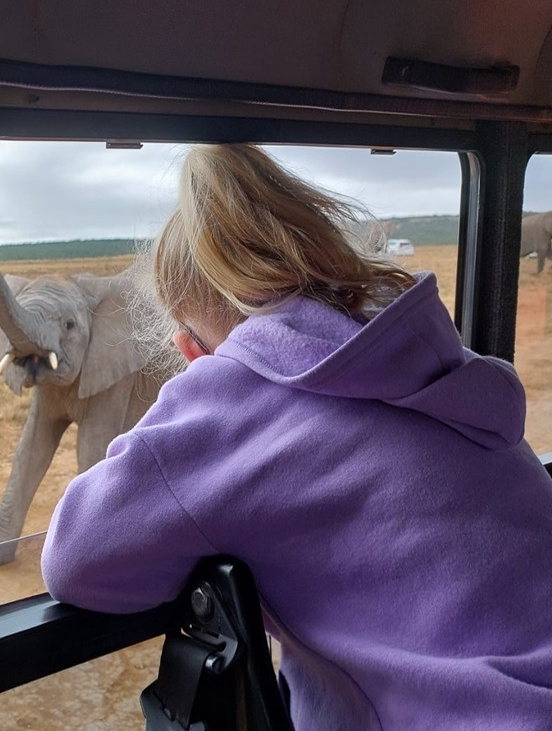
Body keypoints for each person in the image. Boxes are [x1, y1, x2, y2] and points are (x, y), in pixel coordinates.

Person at [42, 143, 552, 729]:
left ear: (189, 347)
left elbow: (76, 557)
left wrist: (206, 381)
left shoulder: (238, 391)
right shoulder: (437, 359)